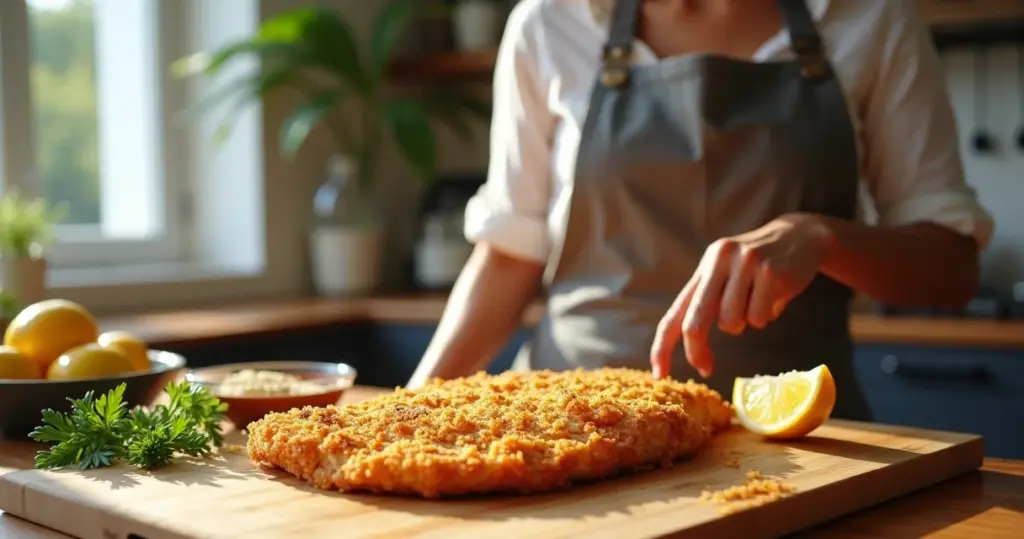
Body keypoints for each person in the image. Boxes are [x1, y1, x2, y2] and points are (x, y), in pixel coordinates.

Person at [406, 0, 993, 420]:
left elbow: (951, 271)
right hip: (574, 426)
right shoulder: (552, 22)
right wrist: (405, 412)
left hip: (798, 444)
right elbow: (509, 256)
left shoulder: (869, 19)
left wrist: (820, 237)